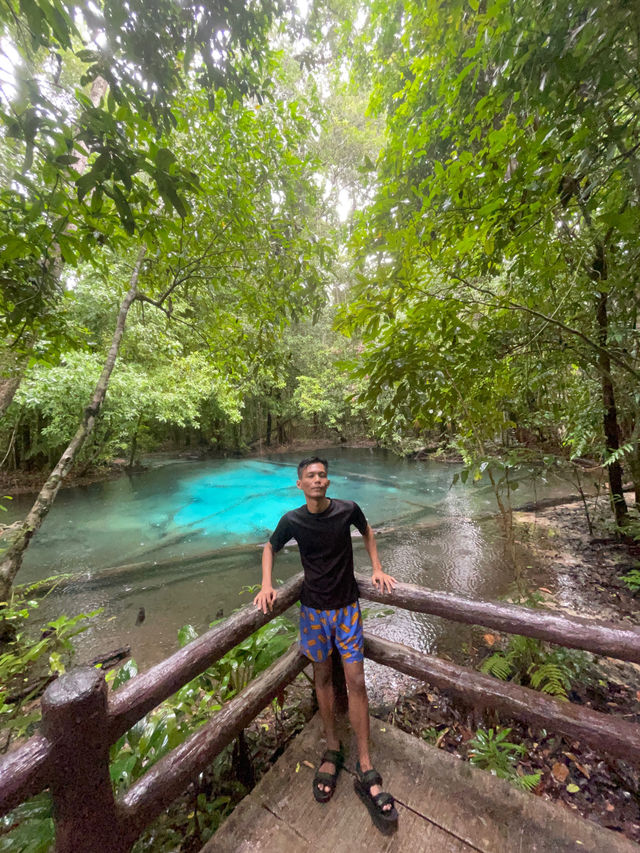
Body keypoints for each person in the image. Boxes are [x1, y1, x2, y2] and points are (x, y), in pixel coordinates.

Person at [254, 456, 399, 834]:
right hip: (313, 612)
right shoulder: (293, 519)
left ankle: (365, 764)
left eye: (321, 475)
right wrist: (267, 583)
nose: (317, 480)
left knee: (357, 682)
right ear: (299, 485)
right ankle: (332, 749)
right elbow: (269, 547)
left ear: (328, 481)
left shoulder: (347, 510)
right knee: (322, 679)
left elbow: (368, 532)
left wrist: (378, 567)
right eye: (310, 476)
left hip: (347, 609)